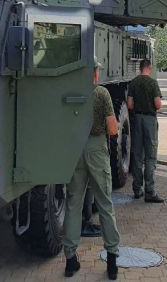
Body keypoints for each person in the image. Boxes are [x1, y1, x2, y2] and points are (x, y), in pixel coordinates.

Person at [63, 59, 120, 279]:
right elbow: (113, 129)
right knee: (105, 204)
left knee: (73, 204)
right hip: (97, 149)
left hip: (74, 150)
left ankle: (70, 260)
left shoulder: (70, 92)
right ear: (95, 73)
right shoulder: (102, 93)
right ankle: (112, 261)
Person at [127, 59, 163, 203]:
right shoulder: (153, 83)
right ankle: (150, 191)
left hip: (137, 120)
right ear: (149, 67)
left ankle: (137, 189)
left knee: (137, 155)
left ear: (140, 68)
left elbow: (130, 104)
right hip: (149, 121)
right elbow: (158, 104)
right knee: (150, 155)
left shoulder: (134, 83)